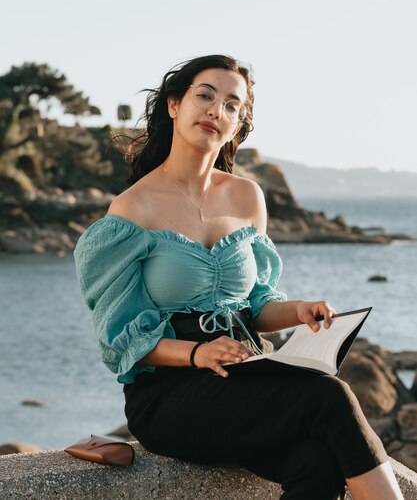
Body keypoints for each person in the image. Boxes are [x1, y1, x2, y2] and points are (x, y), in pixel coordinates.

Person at [74, 55, 403, 500]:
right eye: (205, 96)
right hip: (171, 394)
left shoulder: (248, 197)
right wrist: (198, 353)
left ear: (238, 124)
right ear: (175, 105)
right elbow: (120, 341)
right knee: (329, 396)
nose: (216, 110)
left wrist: (299, 311)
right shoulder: (133, 209)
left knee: (317, 463)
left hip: (246, 374)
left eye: (232, 104)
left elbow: (258, 306)